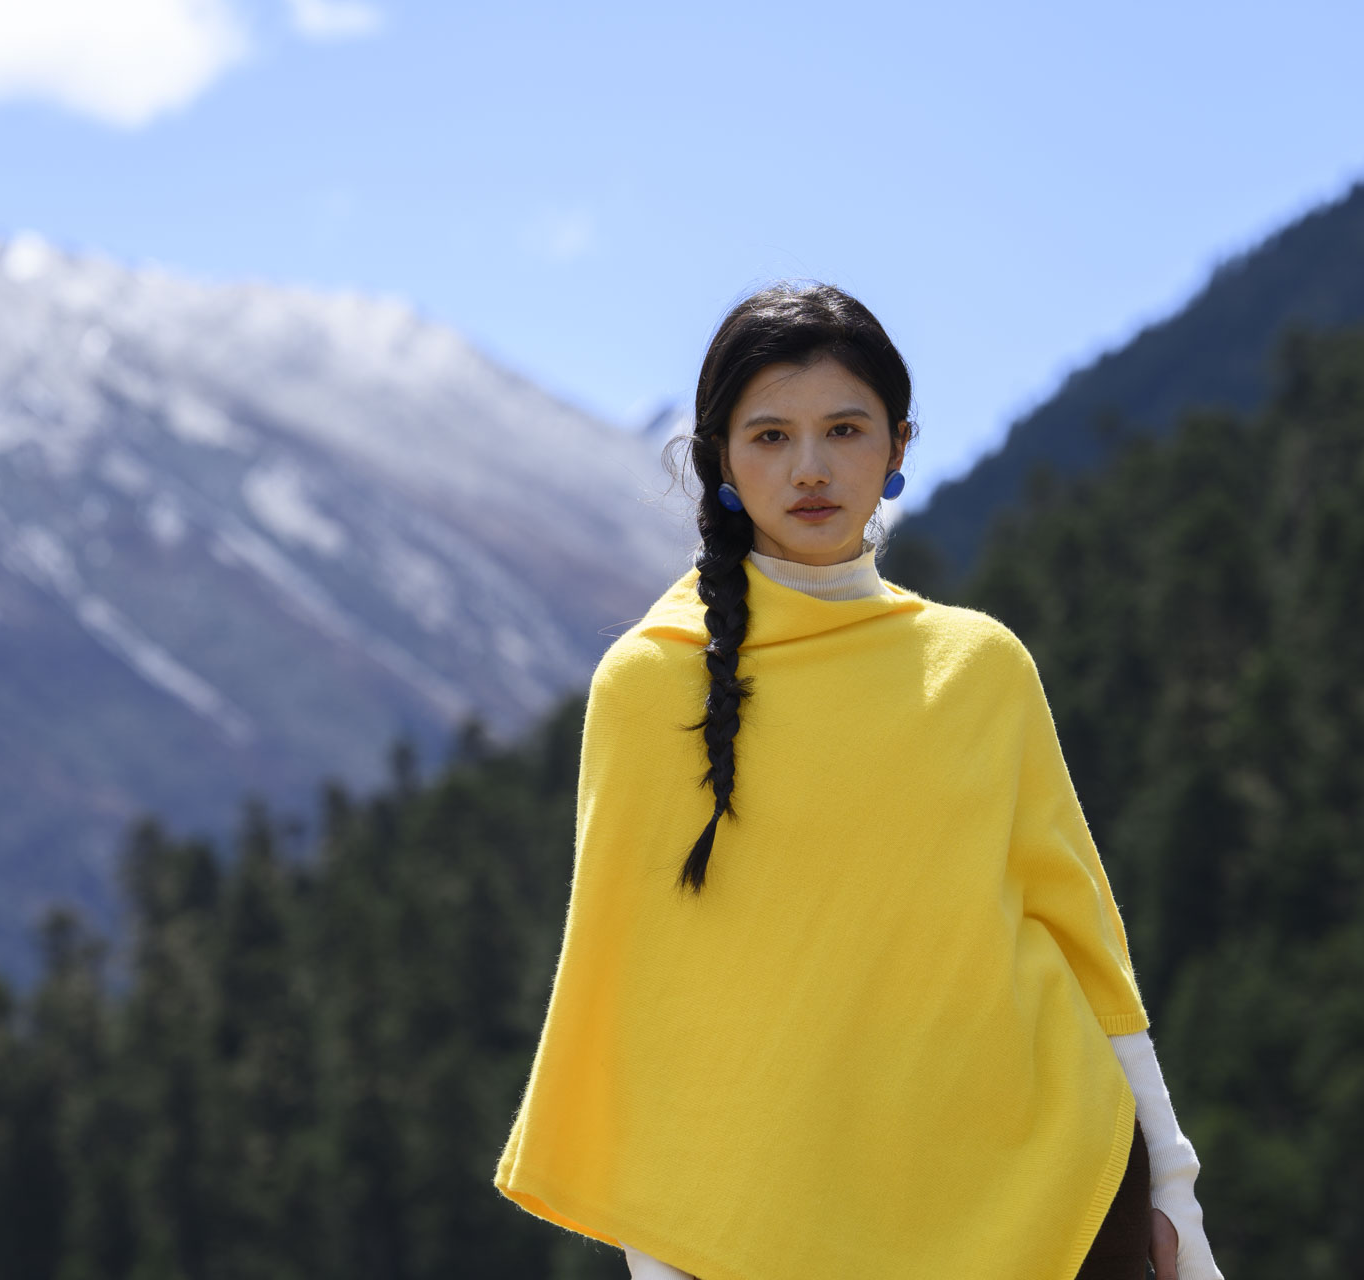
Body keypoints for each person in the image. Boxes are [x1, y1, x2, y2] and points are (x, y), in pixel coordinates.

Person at [493, 282, 1224, 1280]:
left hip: (1061, 1198)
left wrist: (1175, 1197)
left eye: (844, 428)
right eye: (770, 436)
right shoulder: (650, 682)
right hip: (781, 1227)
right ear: (718, 461)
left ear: (897, 447)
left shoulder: (982, 664)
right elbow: (633, 1005)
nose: (810, 467)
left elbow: (1089, 953)